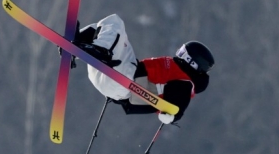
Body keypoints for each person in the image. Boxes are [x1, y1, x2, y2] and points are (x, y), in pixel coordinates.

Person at [71, 14, 214, 124]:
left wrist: (173, 115)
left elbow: (179, 102)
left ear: (192, 60)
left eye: (183, 52)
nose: (179, 53)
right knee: (102, 29)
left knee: (115, 23)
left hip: (124, 79)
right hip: (112, 82)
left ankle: (97, 50)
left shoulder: (185, 82)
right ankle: (76, 46)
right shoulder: (177, 72)